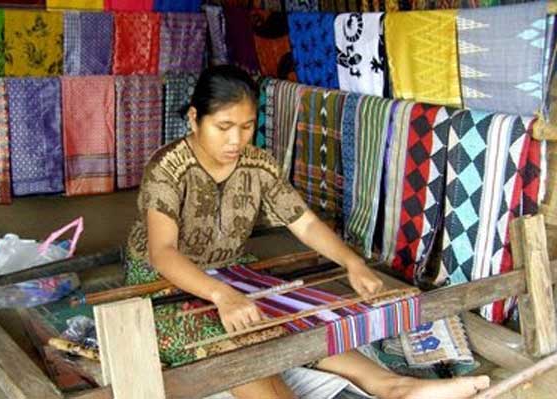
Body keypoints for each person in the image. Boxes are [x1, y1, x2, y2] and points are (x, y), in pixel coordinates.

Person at [125, 65, 490, 399]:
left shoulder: (258, 164)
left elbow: (305, 222)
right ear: (194, 119)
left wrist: (352, 262)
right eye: (223, 127)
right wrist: (223, 297)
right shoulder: (168, 168)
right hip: (162, 284)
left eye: (247, 126)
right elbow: (163, 252)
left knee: (288, 321)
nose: (236, 140)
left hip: (230, 268)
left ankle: (394, 386)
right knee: (236, 345)